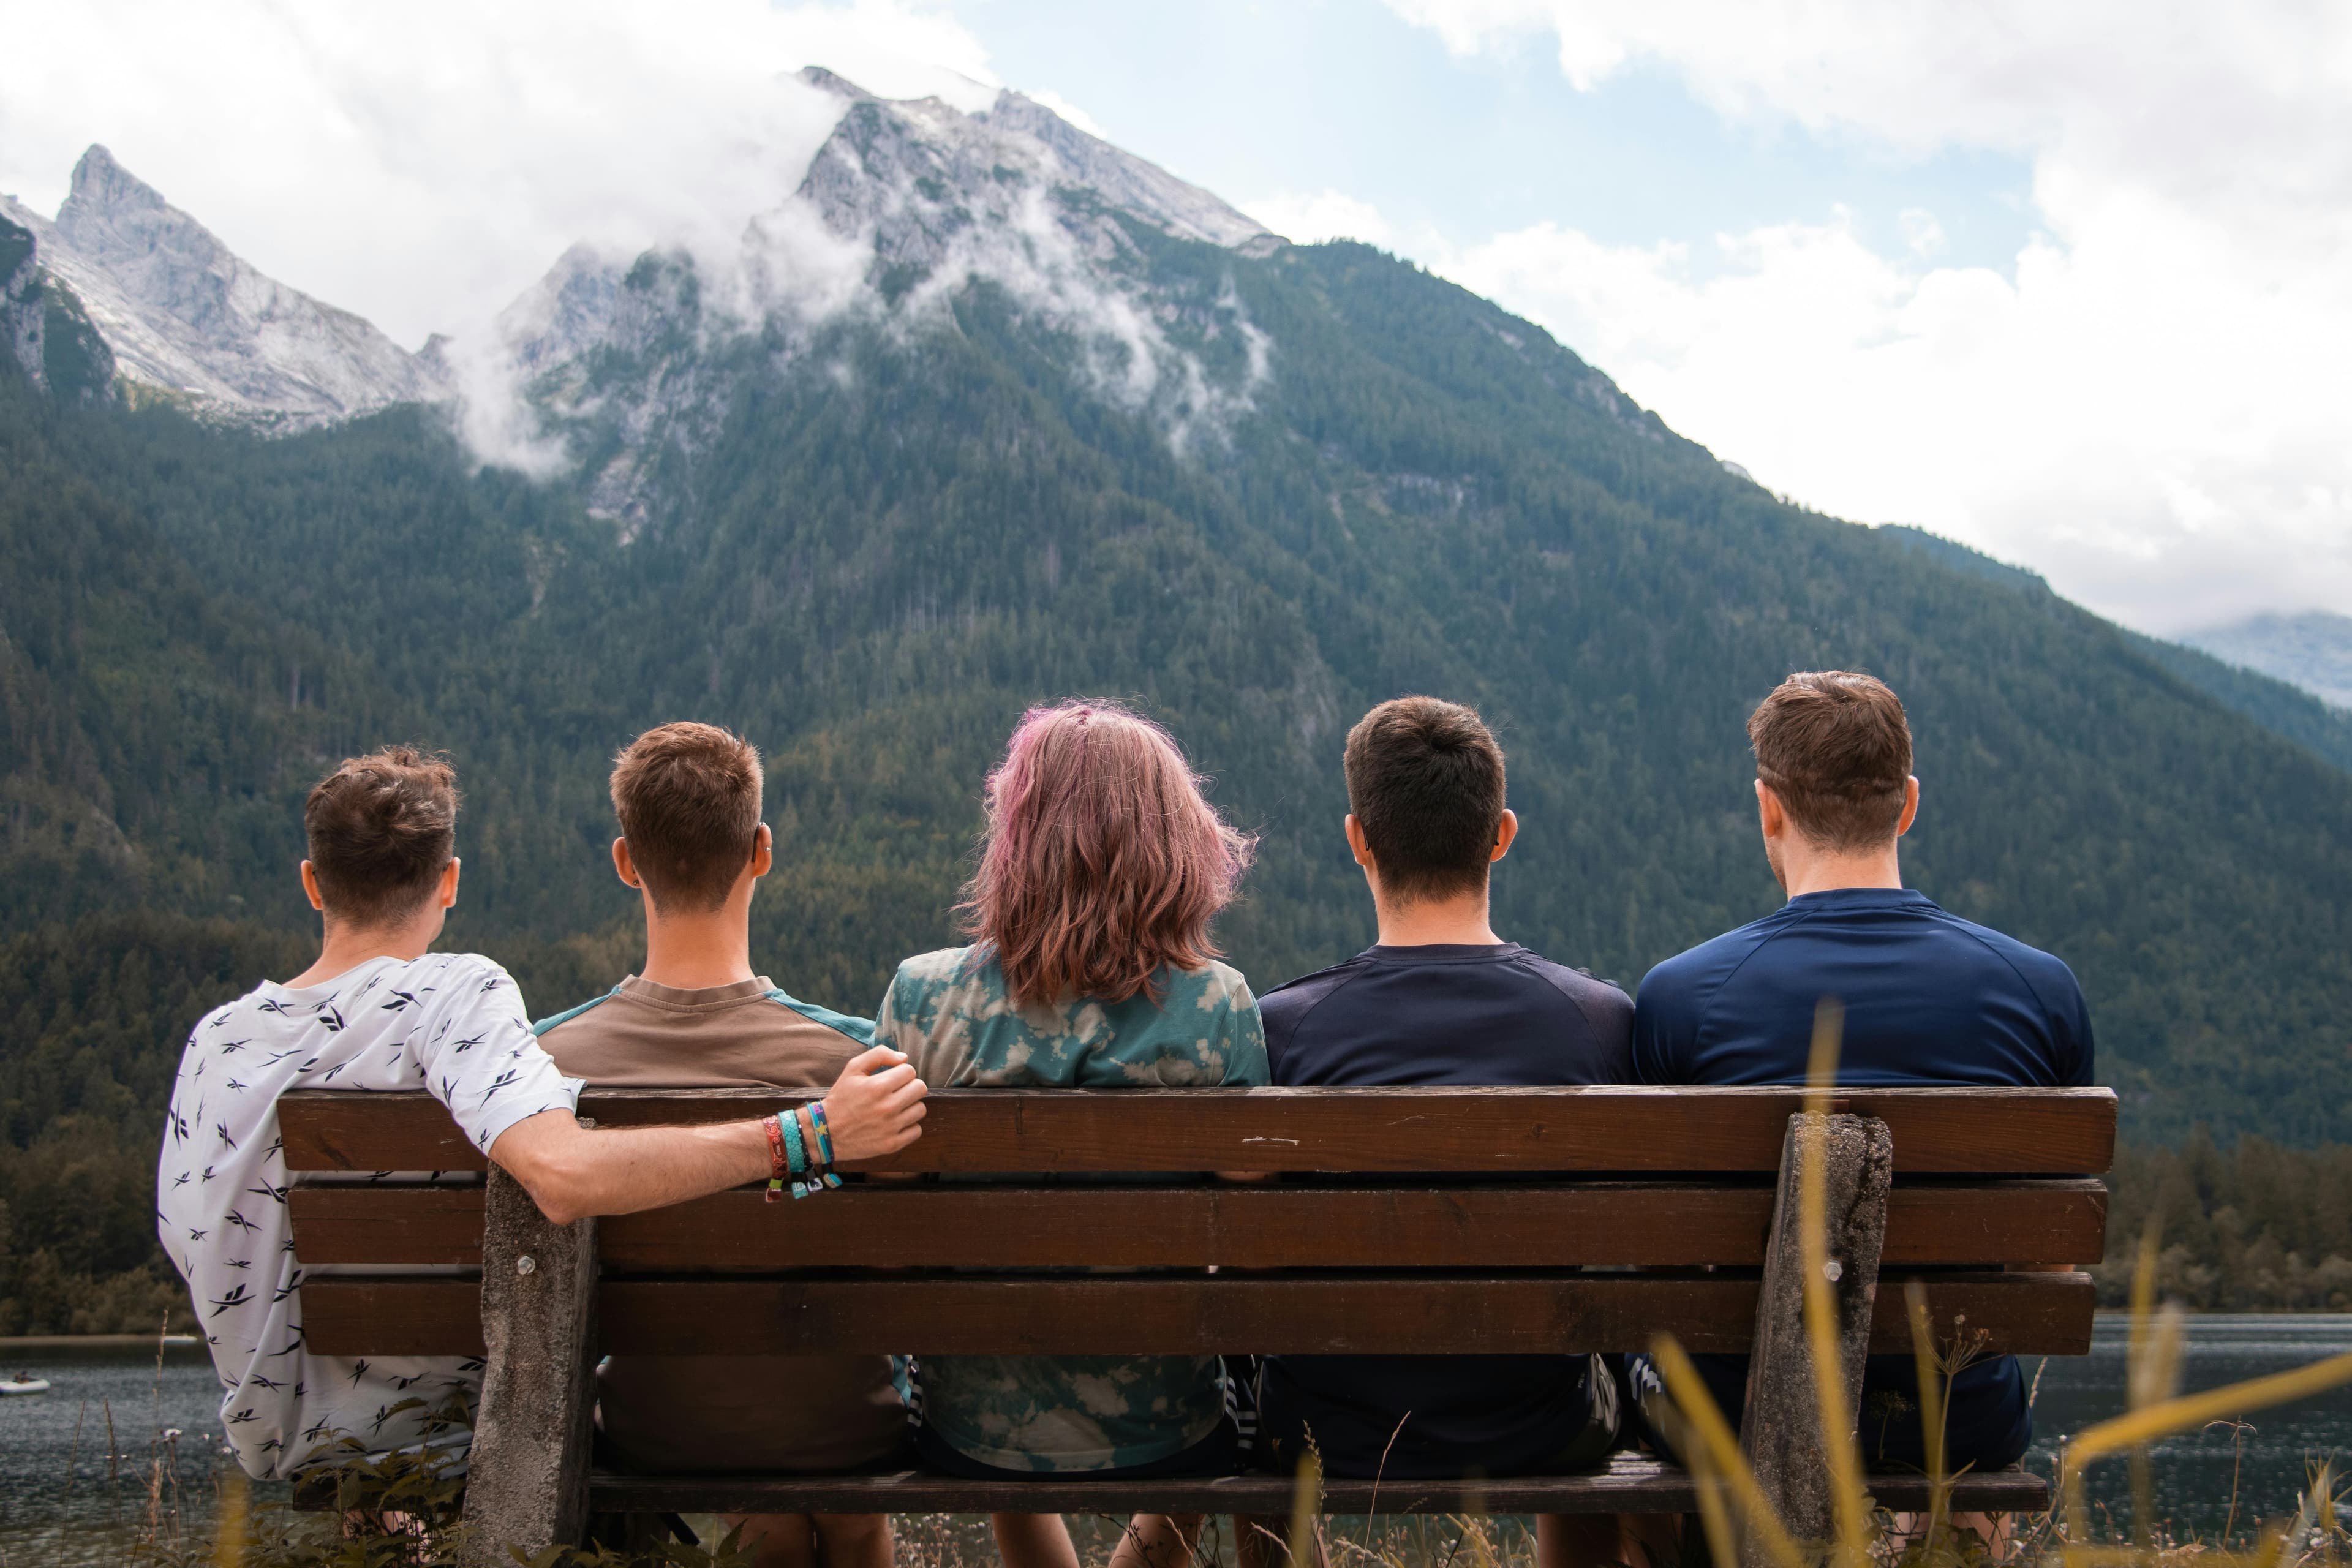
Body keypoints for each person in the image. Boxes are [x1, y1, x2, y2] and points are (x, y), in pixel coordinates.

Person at [156, 747, 928, 1484]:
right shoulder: (455, 1000)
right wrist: (809, 1133)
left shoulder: (215, 1039)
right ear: (449, 880)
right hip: (453, 1427)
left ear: (312, 883)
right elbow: (560, 1174)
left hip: (277, 1431)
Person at [1631, 671, 2095, 1534]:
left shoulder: (1683, 998)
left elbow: (1656, 1262)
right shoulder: (2039, 991)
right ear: (1908, 804)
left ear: (1769, 808)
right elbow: (2055, 1266)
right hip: (1957, 1416)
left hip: (1734, 1417)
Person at [873, 699, 1266, 1568]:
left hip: (967, 1424)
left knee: (1006, 1395)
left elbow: (881, 1213)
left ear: (1015, 837)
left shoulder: (924, 999)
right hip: (1169, 1422)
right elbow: (1247, 1234)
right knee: (1223, 1415)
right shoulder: (1218, 1007)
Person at [1254, 696, 1634, 1568]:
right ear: (1500, 834)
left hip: (1322, 1429)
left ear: (1358, 839)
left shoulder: (1284, 1031)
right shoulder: (1599, 1022)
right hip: (1547, 1422)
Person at [535, 723, 904, 1568]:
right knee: (840, 1498)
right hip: (843, 1428)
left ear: (626, 860)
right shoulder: (854, 1060)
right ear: (761, 851)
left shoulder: (543, 1065)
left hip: (651, 1428)